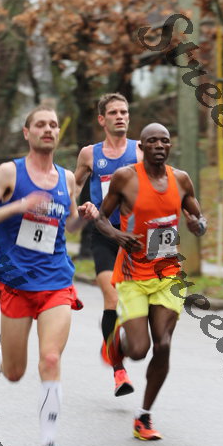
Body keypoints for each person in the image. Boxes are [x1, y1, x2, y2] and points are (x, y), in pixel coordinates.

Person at [0, 105, 98, 446]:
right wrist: (19, 205)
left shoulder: (67, 178)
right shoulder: (9, 172)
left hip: (56, 280)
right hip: (16, 281)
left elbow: (69, 225)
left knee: (50, 357)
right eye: (40, 124)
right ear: (27, 133)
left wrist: (83, 217)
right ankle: (0, 350)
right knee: (14, 373)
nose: (48, 129)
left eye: (54, 125)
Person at [95, 123, 207, 440]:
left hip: (167, 275)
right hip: (133, 276)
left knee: (164, 344)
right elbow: (101, 218)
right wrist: (118, 235)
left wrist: (197, 225)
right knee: (139, 350)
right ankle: (118, 342)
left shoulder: (181, 180)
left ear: (170, 146)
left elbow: (199, 220)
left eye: (165, 141)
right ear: (142, 147)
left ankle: (143, 416)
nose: (159, 145)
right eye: (152, 141)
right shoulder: (125, 178)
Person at [75, 93, 143, 397]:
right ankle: (119, 372)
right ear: (102, 119)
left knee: (137, 306)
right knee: (111, 297)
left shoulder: (140, 151)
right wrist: (78, 206)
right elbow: (75, 185)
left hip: (134, 237)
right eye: (114, 112)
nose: (120, 117)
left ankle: (119, 344)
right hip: (103, 234)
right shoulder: (89, 154)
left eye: (124, 112)